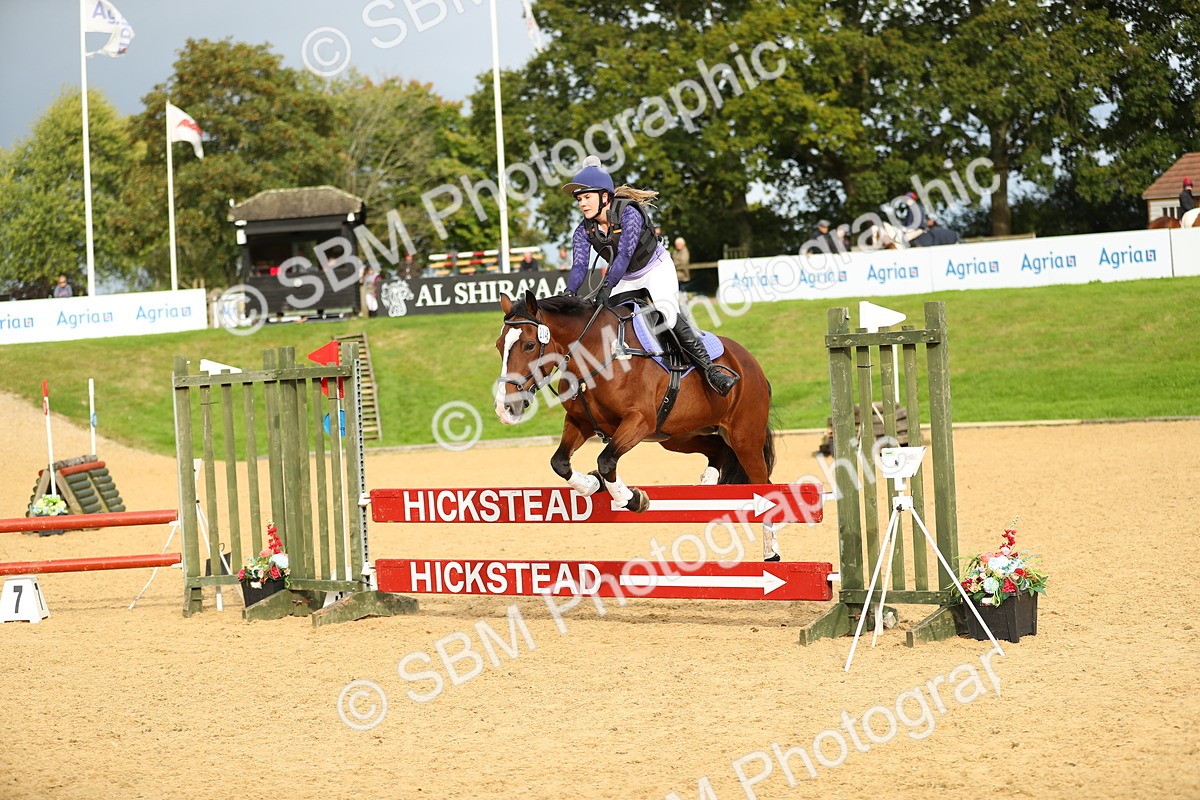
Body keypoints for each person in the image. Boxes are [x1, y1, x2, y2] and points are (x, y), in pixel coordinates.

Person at [562, 155, 738, 396]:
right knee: (603, 320)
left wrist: (606, 286)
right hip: (625, 277)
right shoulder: (584, 230)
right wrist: (569, 294)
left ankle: (711, 369)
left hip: (655, 269)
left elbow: (624, 254)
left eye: (587, 197)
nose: (582, 204)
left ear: (605, 197)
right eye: (579, 199)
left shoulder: (629, 213)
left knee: (667, 315)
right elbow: (580, 266)